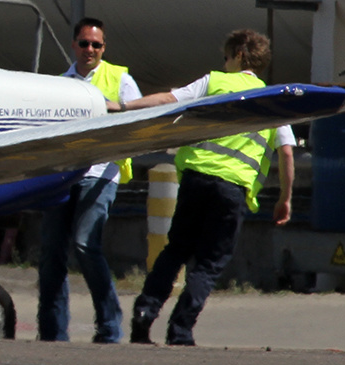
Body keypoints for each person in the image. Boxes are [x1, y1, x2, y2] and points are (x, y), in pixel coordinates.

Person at [118, 29, 295, 346]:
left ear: (238, 55)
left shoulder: (213, 82)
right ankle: (180, 330)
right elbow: (286, 152)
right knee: (210, 264)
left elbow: (168, 99)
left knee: (176, 250)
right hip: (231, 191)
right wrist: (285, 198)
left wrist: (124, 107)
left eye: (226, 57)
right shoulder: (273, 99)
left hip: (195, 180)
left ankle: (145, 312)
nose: (224, 63)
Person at [37, 18, 140, 343]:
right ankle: (52, 331)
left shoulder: (120, 79)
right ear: (74, 45)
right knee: (52, 252)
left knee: (84, 243)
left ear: (104, 48)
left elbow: (139, 120)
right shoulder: (60, 84)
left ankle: (109, 326)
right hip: (63, 175)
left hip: (100, 173)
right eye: (84, 43)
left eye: (96, 45)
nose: (90, 50)